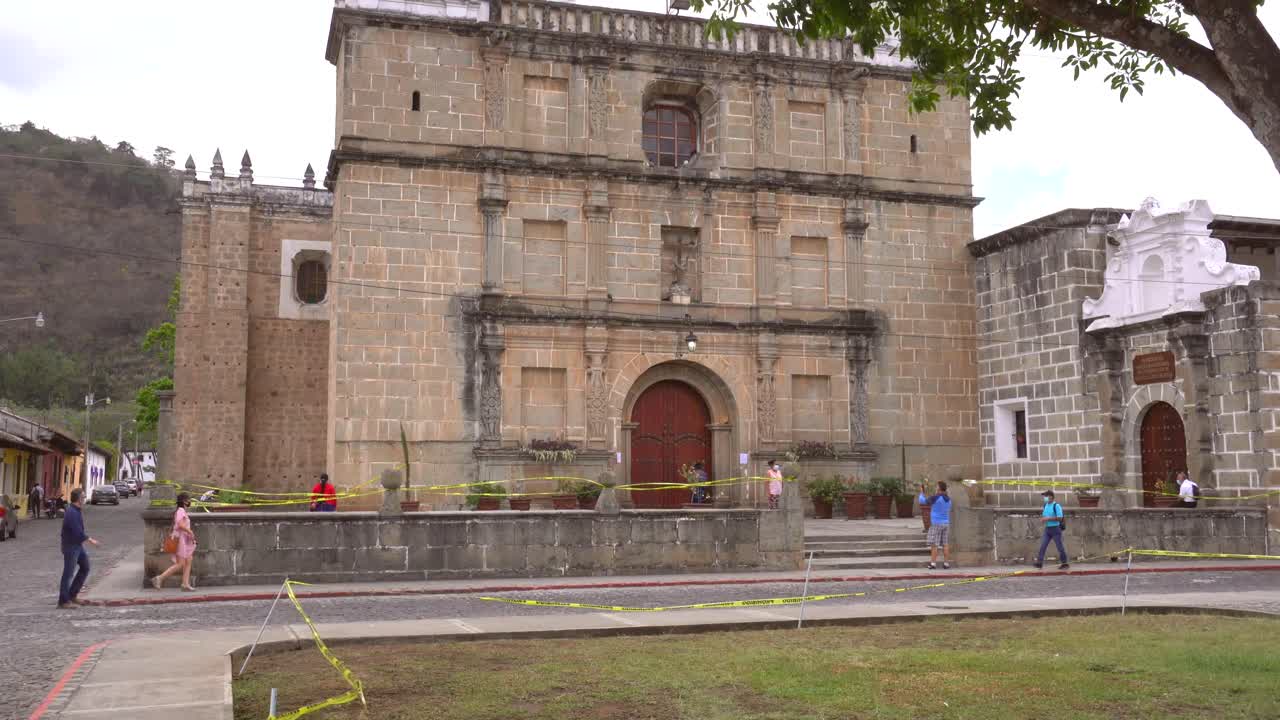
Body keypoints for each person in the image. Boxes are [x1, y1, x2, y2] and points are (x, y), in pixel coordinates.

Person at [58, 489, 100, 609]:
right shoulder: (71, 512)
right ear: (78, 498)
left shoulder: (76, 510)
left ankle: (72, 595)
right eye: (83, 496)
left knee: (85, 567)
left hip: (77, 545)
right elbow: (78, 532)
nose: (85, 498)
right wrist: (91, 540)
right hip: (71, 546)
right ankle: (63, 601)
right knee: (68, 573)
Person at [152, 492, 197, 591]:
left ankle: (185, 583)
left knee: (189, 560)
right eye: (188, 499)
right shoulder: (181, 510)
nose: (189, 501)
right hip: (180, 539)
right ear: (184, 501)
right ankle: (159, 578)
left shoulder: (181, 511)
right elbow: (180, 524)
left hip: (184, 539)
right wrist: (190, 531)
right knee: (180, 563)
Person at [1034, 490, 1070, 570]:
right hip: (1047, 529)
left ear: (1051, 497)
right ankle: (1039, 563)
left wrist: (1048, 518)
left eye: (1046, 496)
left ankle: (1065, 563)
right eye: (1044, 496)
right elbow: (1045, 516)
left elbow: (1060, 518)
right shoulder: (1045, 505)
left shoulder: (1056, 506)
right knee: (1043, 546)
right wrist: (1043, 519)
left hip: (1056, 529)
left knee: (1059, 547)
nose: (1044, 498)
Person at [920, 481, 952, 569]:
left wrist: (922, 493)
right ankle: (946, 563)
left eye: (936, 486)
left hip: (936, 523)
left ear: (939, 488)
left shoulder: (935, 497)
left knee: (934, 544)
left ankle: (933, 564)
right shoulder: (949, 499)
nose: (935, 488)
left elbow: (922, 501)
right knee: (945, 544)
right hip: (946, 523)